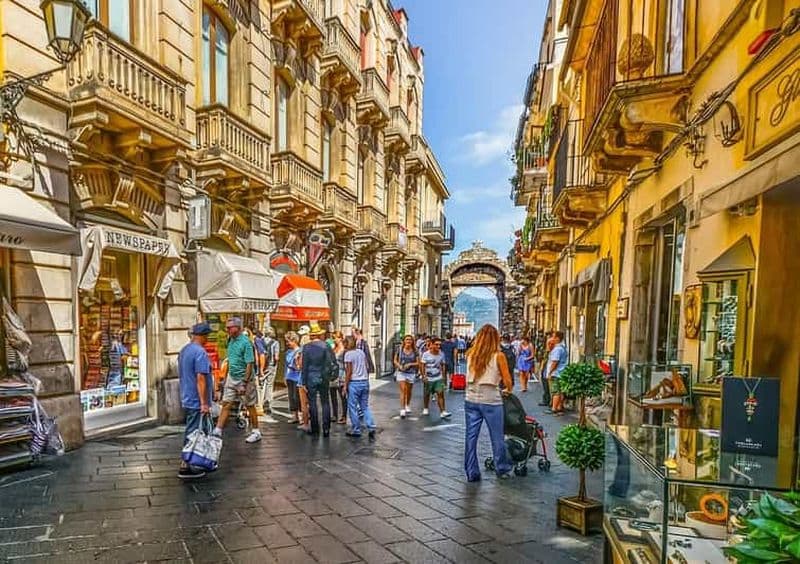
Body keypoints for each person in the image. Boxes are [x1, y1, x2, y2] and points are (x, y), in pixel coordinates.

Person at [463, 324, 514, 482]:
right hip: (491, 400)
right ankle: (501, 467)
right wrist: (507, 389)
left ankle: (471, 471)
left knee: (471, 437)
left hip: (471, 398)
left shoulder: (470, 353)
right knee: (496, 436)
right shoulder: (498, 356)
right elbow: (507, 380)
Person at [214, 317, 261, 443]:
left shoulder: (246, 343)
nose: (227, 329)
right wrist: (225, 377)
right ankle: (218, 429)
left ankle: (256, 431)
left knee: (250, 405)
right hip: (232, 377)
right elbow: (230, 360)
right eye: (227, 327)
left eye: (230, 327)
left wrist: (244, 383)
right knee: (226, 403)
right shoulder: (230, 340)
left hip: (244, 378)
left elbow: (249, 364)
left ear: (238, 328)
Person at [178, 322, 213, 479]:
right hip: (196, 399)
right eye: (207, 336)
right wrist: (204, 402)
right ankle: (185, 465)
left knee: (196, 430)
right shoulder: (200, 353)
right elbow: (201, 378)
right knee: (193, 431)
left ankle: (198, 460)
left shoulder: (184, 350)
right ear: (203, 336)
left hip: (187, 395)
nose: (207, 339)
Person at [301, 323, 336, 437]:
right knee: (325, 401)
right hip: (323, 376)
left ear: (311, 336)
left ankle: (315, 428)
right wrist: (331, 375)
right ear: (319, 335)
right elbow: (332, 362)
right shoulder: (326, 346)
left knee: (312, 403)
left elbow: (304, 366)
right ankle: (326, 428)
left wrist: (303, 381)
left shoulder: (306, 348)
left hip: (311, 377)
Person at [344, 335, 377, 439]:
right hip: (364, 381)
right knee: (364, 406)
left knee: (352, 406)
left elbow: (349, 371)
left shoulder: (348, 354)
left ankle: (356, 429)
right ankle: (371, 426)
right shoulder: (361, 352)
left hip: (354, 382)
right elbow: (366, 366)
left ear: (347, 343)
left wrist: (345, 385)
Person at [420, 337, 451, 419]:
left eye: (439, 345)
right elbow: (422, 365)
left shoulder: (441, 354)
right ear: (432, 344)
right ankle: (426, 408)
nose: (438, 346)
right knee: (427, 394)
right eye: (436, 344)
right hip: (428, 377)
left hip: (438, 377)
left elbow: (443, 365)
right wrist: (423, 376)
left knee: (440, 394)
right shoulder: (426, 354)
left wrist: (444, 378)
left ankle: (443, 411)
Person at [394, 335, 418, 419]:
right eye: (407, 339)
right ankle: (402, 409)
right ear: (404, 341)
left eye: (410, 340)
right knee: (403, 390)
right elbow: (395, 360)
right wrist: (399, 366)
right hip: (401, 372)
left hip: (411, 373)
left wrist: (410, 364)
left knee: (409, 391)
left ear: (412, 341)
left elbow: (418, 362)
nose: (408, 341)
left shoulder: (415, 350)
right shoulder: (399, 349)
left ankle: (407, 404)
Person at [259, 327, 280, 422]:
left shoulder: (260, 341)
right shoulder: (275, 343)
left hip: (261, 365)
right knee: (269, 384)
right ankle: (268, 404)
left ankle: (259, 404)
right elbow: (276, 357)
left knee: (260, 384)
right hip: (271, 365)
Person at [547, 331, 569, 416]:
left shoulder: (557, 349)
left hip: (556, 373)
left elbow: (555, 362)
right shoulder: (562, 348)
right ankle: (559, 407)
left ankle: (554, 408)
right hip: (562, 372)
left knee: (556, 391)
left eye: (553, 337)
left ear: (557, 338)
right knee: (560, 391)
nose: (551, 339)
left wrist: (550, 372)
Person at [284, 332, 303, 424]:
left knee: (297, 397)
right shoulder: (288, 352)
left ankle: (301, 415)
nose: (287, 344)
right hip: (289, 377)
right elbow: (286, 365)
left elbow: (300, 366)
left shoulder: (300, 351)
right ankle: (294, 415)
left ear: (294, 341)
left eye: (288, 341)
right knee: (291, 397)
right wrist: (285, 376)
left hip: (297, 377)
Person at [332, 331, 347, 424]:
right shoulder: (334, 348)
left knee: (342, 396)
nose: (334, 339)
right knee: (332, 395)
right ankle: (334, 414)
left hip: (341, 373)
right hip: (333, 373)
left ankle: (344, 416)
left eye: (336, 337)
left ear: (341, 338)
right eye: (333, 337)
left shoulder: (344, 350)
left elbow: (346, 363)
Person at [539, 330, 557, 407]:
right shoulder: (547, 351)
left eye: (551, 344)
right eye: (548, 344)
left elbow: (554, 362)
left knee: (551, 388)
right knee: (545, 386)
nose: (549, 345)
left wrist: (550, 372)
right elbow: (544, 360)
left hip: (550, 371)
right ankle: (546, 399)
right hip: (545, 370)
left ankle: (550, 402)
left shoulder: (555, 351)